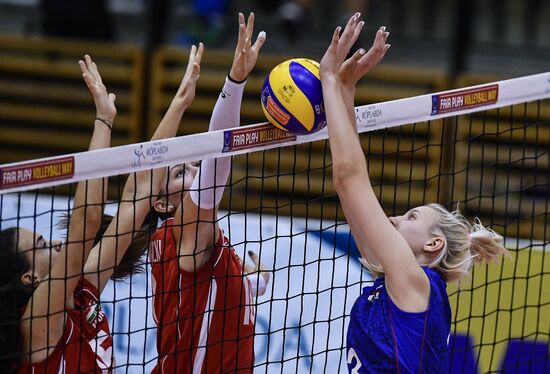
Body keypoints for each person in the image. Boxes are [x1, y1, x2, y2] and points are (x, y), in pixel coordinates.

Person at [318, 13, 509, 373]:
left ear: (433, 244)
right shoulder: (399, 281)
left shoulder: (413, 282)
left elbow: (348, 178)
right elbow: (348, 193)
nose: (393, 218)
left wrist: (329, 80)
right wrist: (344, 91)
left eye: (411, 217)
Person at [0, 43, 203, 373]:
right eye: (40, 245)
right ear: (30, 277)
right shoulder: (38, 322)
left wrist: (179, 103)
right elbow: (86, 221)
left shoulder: (84, 290)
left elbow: (140, 193)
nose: (53, 241)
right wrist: (102, 125)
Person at [147, 12, 267, 373]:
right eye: (181, 171)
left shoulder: (189, 241)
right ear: (162, 202)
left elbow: (218, 293)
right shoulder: (184, 231)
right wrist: (236, 81)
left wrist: (253, 282)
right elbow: (219, 152)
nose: (195, 171)